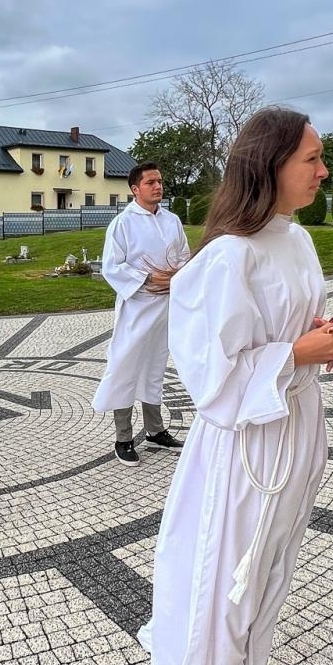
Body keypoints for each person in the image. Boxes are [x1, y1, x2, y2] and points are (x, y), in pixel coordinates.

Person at [141, 109, 333, 665]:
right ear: (267, 164)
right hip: (243, 450)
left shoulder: (294, 240)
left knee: (266, 577)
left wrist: (319, 337)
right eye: (312, 158)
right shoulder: (226, 258)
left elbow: (287, 329)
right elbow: (212, 376)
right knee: (226, 581)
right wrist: (298, 352)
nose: (324, 170)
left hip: (292, 430)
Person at [92, 162, 190, 464]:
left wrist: (176, 276)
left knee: (155, 367)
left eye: (160, 181)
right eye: (150, 182)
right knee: (126, 365)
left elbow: (185, 256)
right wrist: (148, 279)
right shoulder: (123, 223)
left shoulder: (172, 220)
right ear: (135, 189)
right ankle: (123, 437)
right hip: (137, 306)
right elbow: (112, 265)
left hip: (166, 306)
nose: (158, 186)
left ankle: (155, 431)